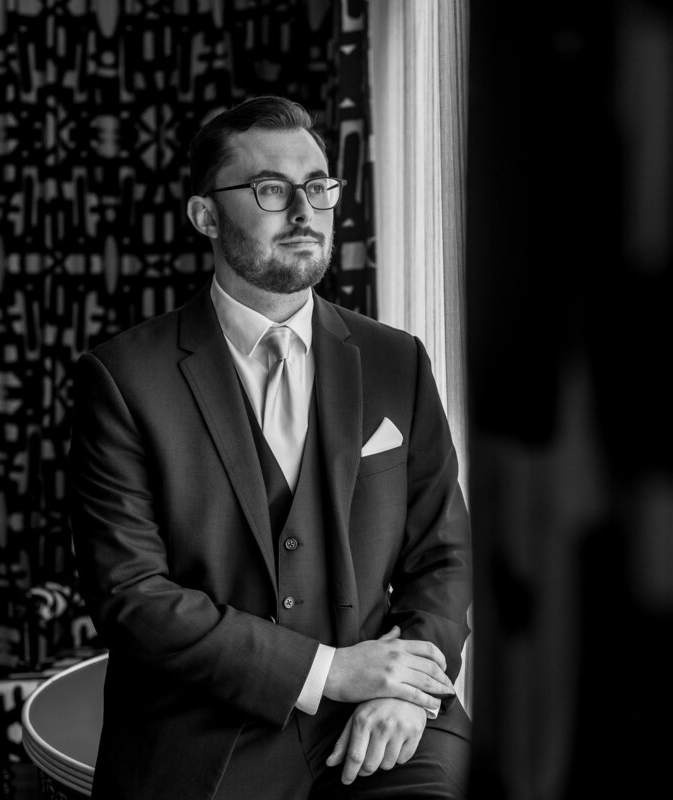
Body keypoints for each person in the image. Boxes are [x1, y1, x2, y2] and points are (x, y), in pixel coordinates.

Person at [68, 96, 472, 800]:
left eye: (318, 187)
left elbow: (442, 555)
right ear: (205, 215)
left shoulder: (395, 361)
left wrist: (407, 688)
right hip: (207, 734)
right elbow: (133, 596)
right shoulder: (124, 379)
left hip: (384, 720)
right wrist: (327, 671)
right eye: (270, 190)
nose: (305, 211)